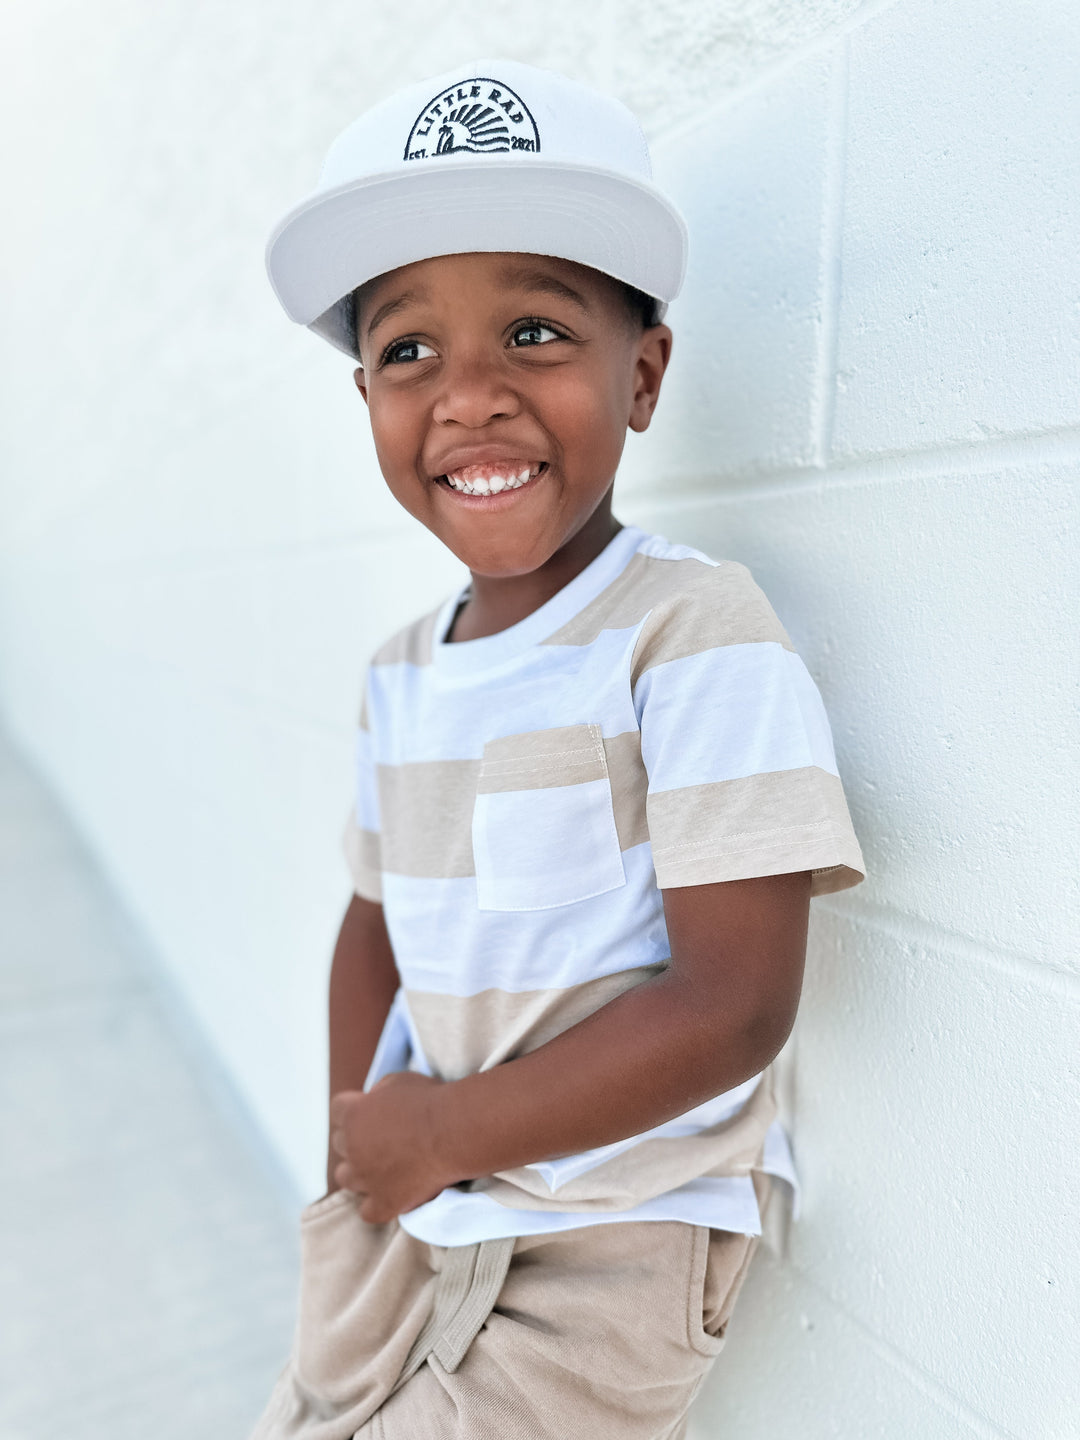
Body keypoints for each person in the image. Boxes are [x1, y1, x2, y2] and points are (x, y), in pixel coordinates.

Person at [253, 58, 864, 1440]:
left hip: (611, 1240)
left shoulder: (688, 632)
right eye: (408, 350)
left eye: (533, 331)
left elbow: (733, 1002)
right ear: (367, 402)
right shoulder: (402, 670)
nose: (468, 394)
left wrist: (444, 1137)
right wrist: (366, 1139)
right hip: (416, 1201)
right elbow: (375, 924)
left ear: (640, 374)